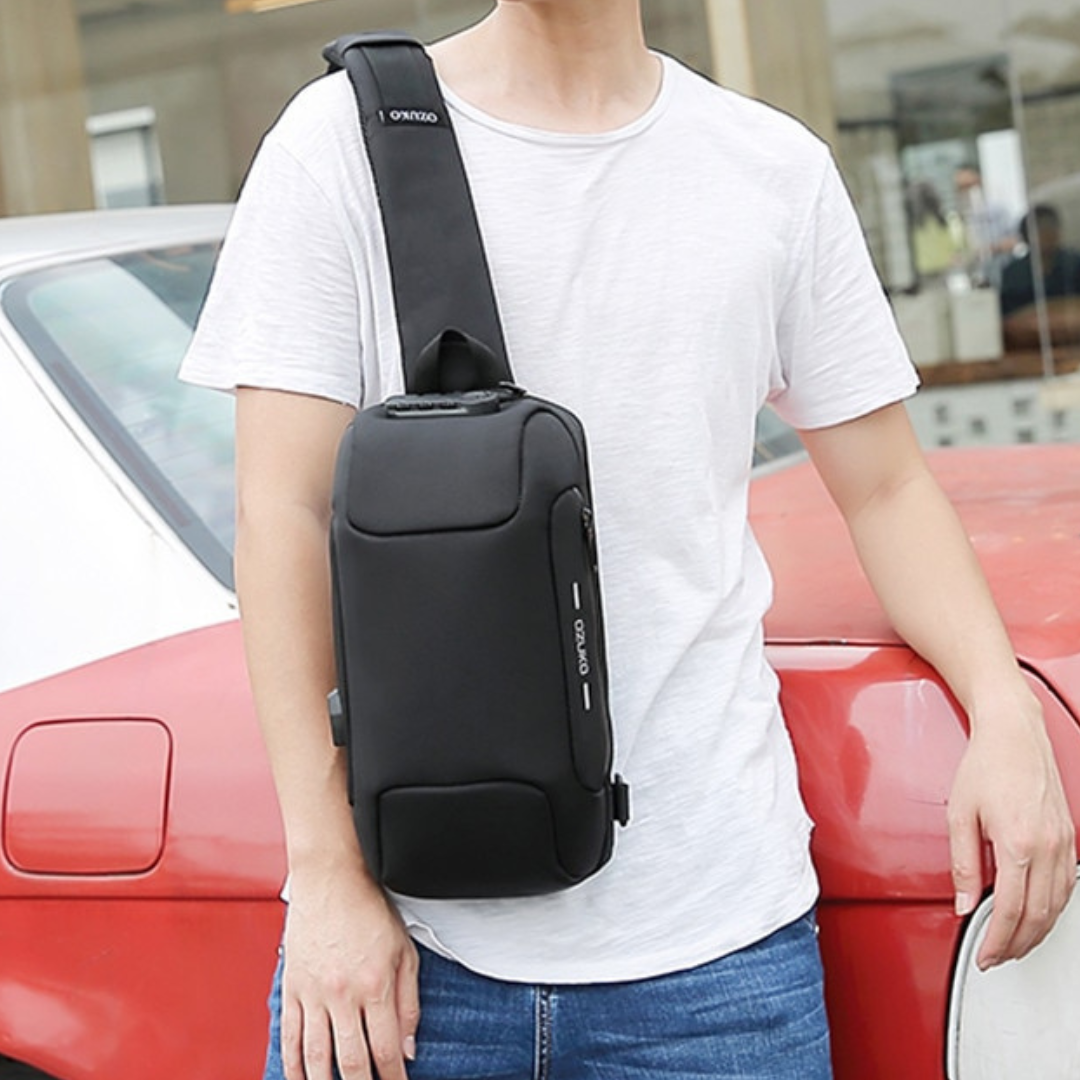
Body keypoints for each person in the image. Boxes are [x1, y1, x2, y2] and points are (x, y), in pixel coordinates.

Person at [180, 3, 1076, 1078]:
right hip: (414, 954)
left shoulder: (770, 169)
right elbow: (284, 515)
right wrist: (327, 876)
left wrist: (1003, 708)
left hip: (720, 963)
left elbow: (885, 487)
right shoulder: (339, 143)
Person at [999, 203, 1080, 346]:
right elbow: (1009, 318)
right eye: (1041, 230)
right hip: (1026, 345)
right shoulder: (1014, 272)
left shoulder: (1073, 263)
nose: (1048, 235)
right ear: (1026, 236)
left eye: (1052, 228)